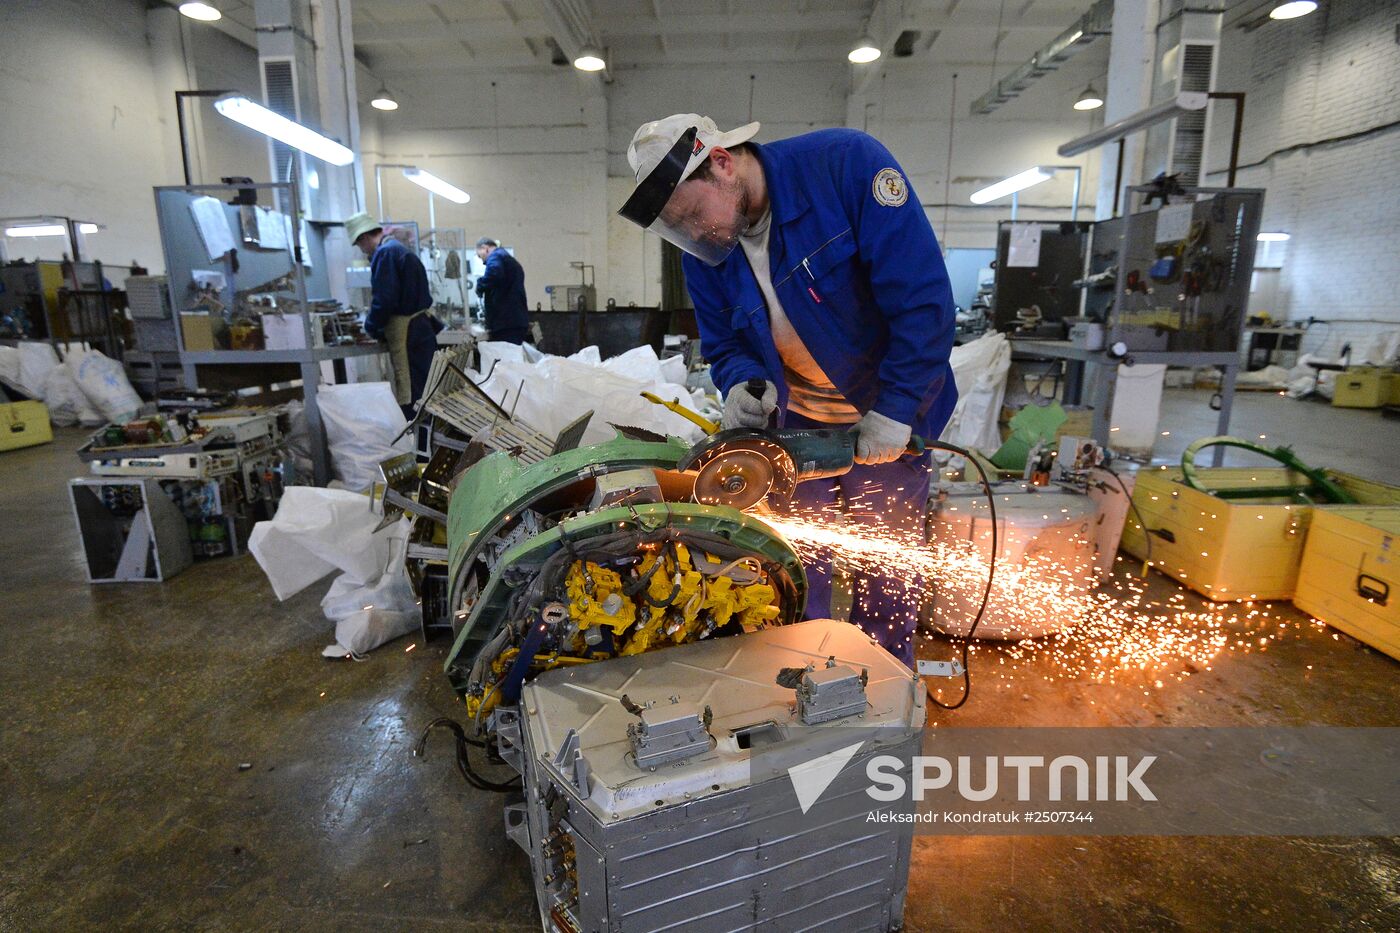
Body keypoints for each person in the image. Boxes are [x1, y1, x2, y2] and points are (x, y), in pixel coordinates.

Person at [616, 114, 957, 666]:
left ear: (722, 162)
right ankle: (805, 687)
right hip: (795, 433)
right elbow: (725, 346)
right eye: (681, 227)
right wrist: (740, 386)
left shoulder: (845, 165)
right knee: (795, 568)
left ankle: (890, 685)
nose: (697, 234)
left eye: (695, 215)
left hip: (888, 413)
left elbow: (924, 304)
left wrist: (896, 408)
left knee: (888, 573)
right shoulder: (707, 250)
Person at [345, 212, 442, 418]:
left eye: (360, 246)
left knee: (413, 393)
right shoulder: (399, 250)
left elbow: (385, 298)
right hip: (421, 328)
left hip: (409, 333)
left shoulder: (386, 254)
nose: (363, 251)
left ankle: (415, 443)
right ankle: (427, 442)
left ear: (364, 238)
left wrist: (370, 327)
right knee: (426, 389)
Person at [474, 237, 530, 344]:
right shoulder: (507, 259)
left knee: (505, 356)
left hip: (505, 322)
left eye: (479, 255)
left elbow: (494, 273)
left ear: (485, 248)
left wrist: (480, 285)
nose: (482, 261)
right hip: (514, 320)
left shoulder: (496, 256)